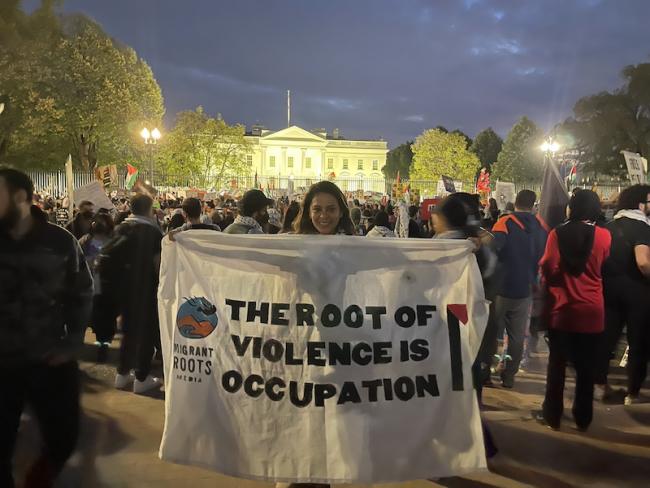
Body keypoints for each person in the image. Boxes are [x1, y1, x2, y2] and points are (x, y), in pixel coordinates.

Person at [0, 168, 93, 488]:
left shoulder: (59, 241)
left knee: (64, 435)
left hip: (49, 357)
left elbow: (81, 292)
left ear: (20, 197)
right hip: (3, 361)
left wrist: (72, 342)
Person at [536, 190, 611, 431]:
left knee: (556, 367)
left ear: (572, 207)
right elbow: (602, 264)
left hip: (562, 310)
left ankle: (552, 415)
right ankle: (583, 417)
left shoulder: (557, 234)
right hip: (592, 311)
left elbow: (548, 266)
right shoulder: (604, 236)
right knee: (586, 369)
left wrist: (555, 280)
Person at [488, 190, 547, 388]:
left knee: (491, 333)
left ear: (515, 202)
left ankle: (485, 372)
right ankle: (509, 376)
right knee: (516, 336)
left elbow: (492, 250)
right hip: (525, 289)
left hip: (500, 288)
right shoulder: (541, 227)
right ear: (533, 205)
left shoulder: (504, 222)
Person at [596, 184, 650, 405]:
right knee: (638, 342)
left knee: (607, 338)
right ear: (639, 203)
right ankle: (633, 393)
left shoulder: (608, 227)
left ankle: (600, 385)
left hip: (608, 290)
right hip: (638, 292)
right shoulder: (643, 229)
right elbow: (643, 262)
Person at [110, 194, 163, 394]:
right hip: (146, 291)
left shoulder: (119, 228)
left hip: (123, 290)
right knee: (147, 333)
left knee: (128, 332)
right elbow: (158, 266)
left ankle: (122, 374)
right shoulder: (152, 232)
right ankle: (142, 377)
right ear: (149, 209)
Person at [79, 212, 118, 363]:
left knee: (101, 319)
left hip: (102, 288)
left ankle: (101, 346)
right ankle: (101, 346)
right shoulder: (86, 241)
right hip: (95, 287)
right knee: (100, 320)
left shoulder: (111, 241)